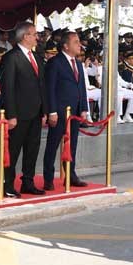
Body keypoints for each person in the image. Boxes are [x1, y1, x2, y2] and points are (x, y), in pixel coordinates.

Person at [1, 21, 48, 197]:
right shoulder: (11, 57)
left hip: (35, 112)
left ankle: (28, 182)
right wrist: (11, 114)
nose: (37, 37)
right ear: (25, 36)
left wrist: (44, 110)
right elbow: (8, 88)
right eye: (34, 34)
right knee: (13, 150)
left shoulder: (36, 57)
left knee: (32, 149)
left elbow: (41, 85)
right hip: (19, 114)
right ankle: (7, 184)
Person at [43, 31, 89, 190]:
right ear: (66, 45)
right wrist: (52, 111)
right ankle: (48, 178)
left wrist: (84, 108)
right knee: (52, 146)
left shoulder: (78, 63)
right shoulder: (55, 62)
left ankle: (70, 174)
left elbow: (81, 87)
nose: (79, 45)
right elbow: (49, 89)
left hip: (75, 113)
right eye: (76, 42)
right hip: (60, 112)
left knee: (72, 145)